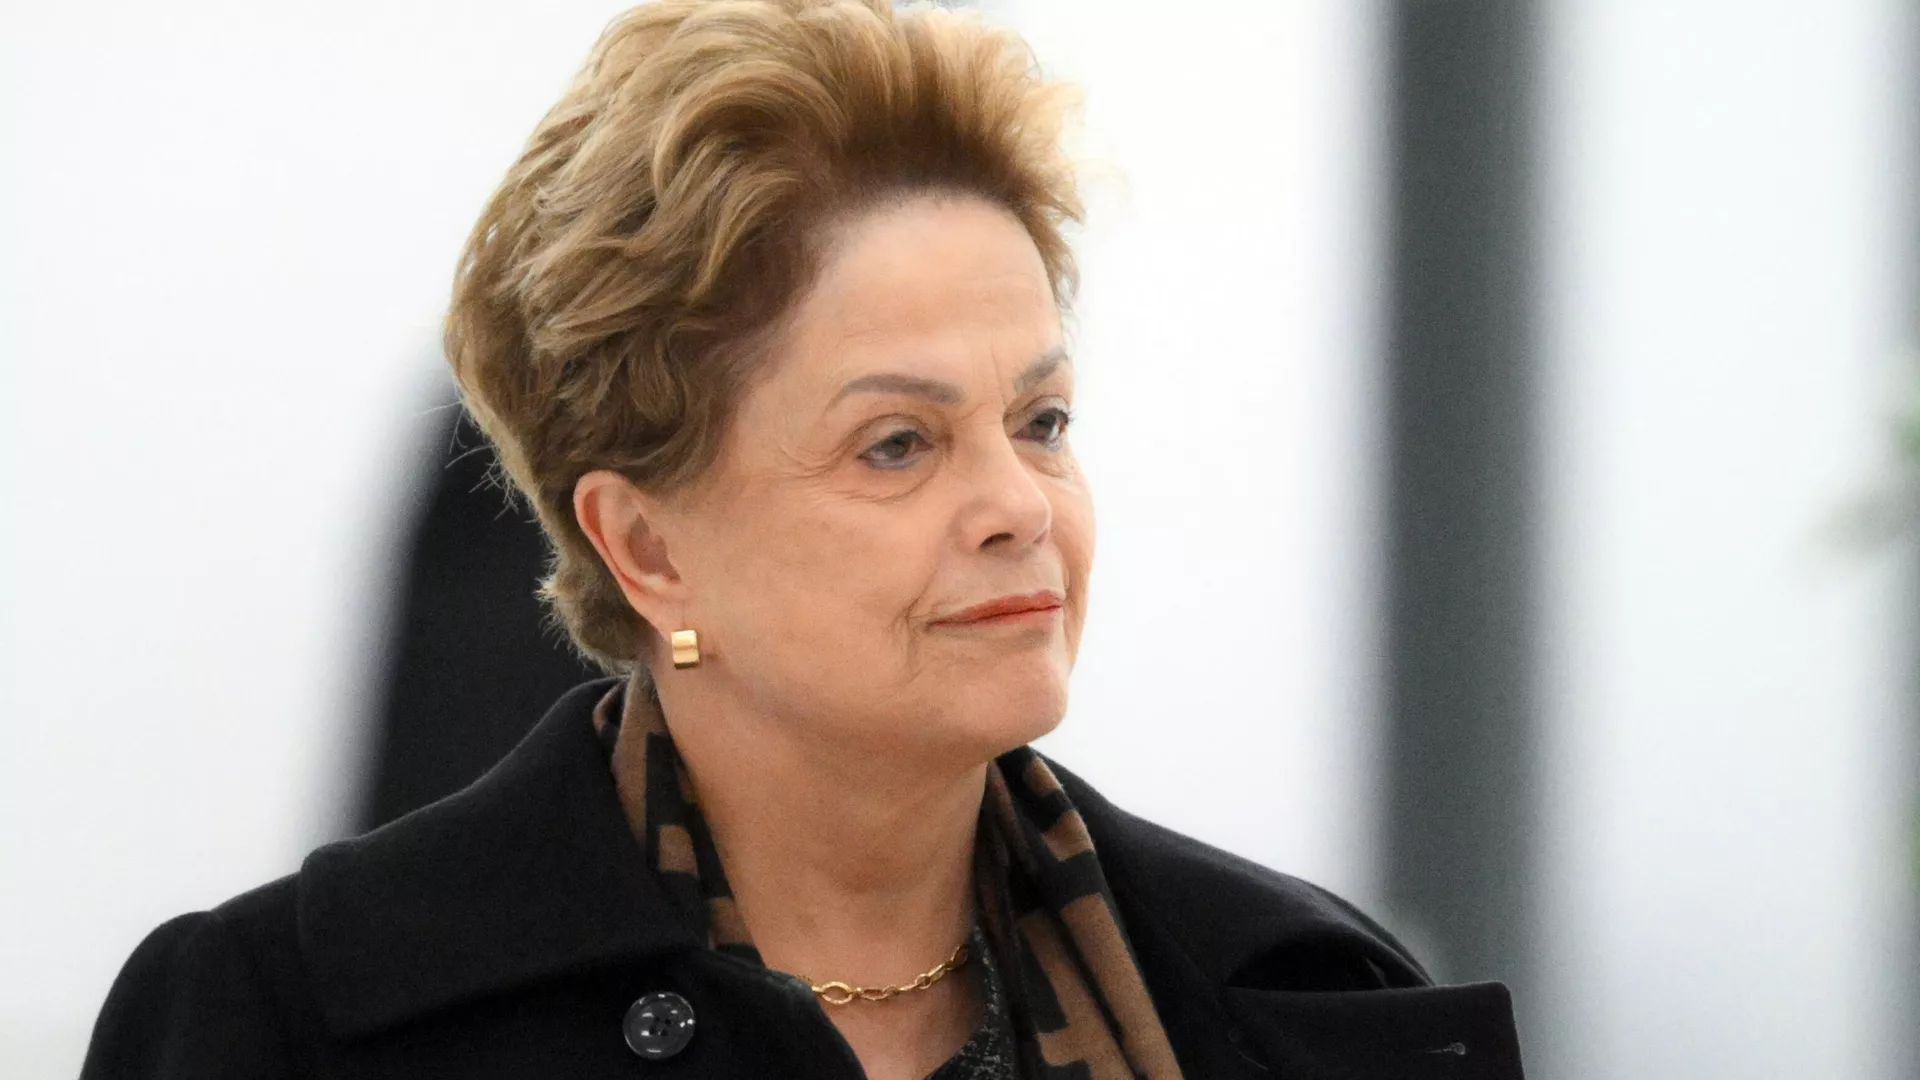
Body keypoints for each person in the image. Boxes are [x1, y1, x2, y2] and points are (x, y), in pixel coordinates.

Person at [81, 2, 1524, 1077]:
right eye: (897, 443)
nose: (1020, 505)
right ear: (646, 550)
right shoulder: (284, 1026)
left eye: (1042, 422)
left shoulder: (1319, 1008)